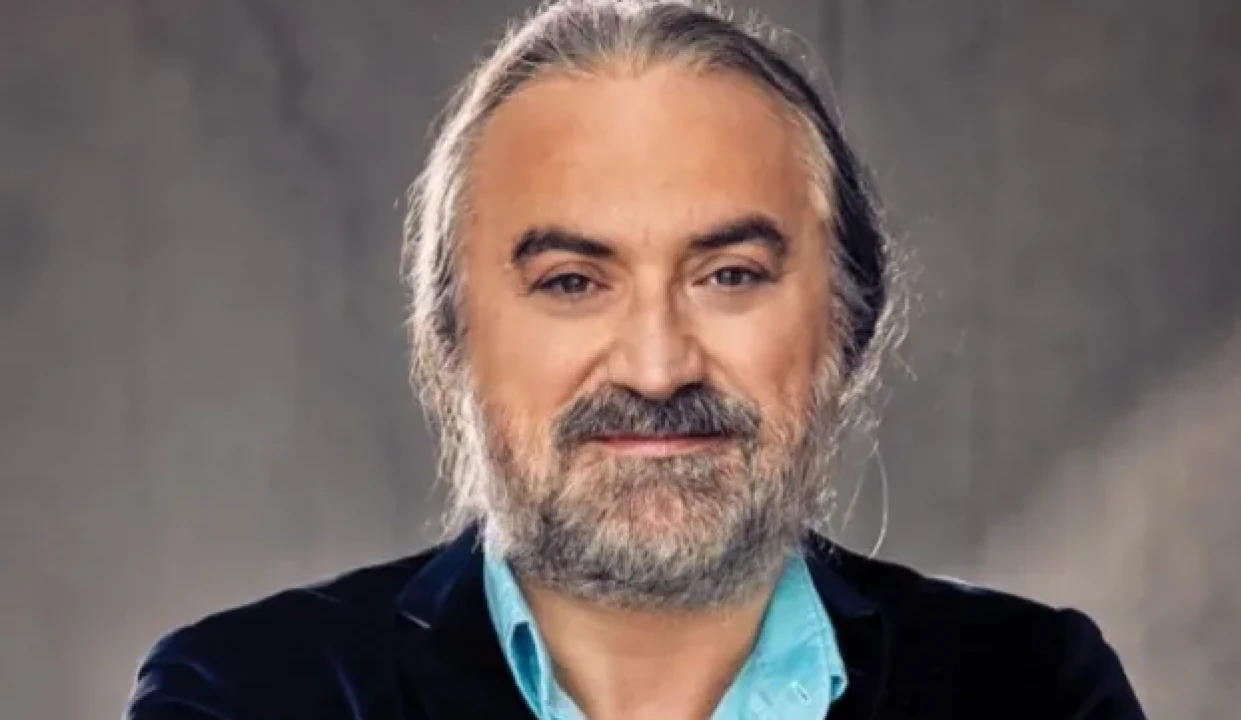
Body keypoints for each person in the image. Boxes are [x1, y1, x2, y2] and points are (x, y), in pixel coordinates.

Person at [125, 1, 1147, 718]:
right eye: (573, 281)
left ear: (848, 320)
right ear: (451, 337)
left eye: (729, 275)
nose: (657, 369)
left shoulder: (1033, 690)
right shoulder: (247, 696)